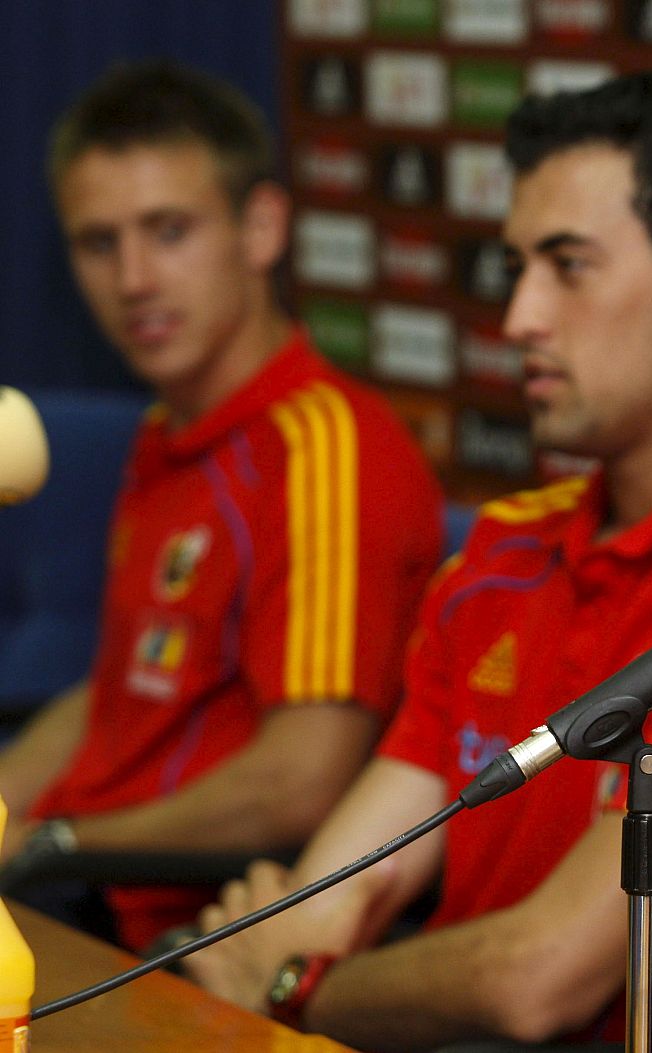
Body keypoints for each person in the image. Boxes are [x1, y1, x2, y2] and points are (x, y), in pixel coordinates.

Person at [185, 69, 652, 1050]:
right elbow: (343, 885)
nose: (520, 319)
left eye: (567, 265)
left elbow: (543, 977)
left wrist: (288, 986)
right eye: (516, 269)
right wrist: (283, 957)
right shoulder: (505, 543)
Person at [0, 61, 444, 953]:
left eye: (169, 231)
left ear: (262, 227)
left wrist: (45, 844)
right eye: (99, 242)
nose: (133, 279)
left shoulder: (326, 447)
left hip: (165, 934)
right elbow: (116, 695)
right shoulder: (172, 425)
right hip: (71, 884)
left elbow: (302, 781)